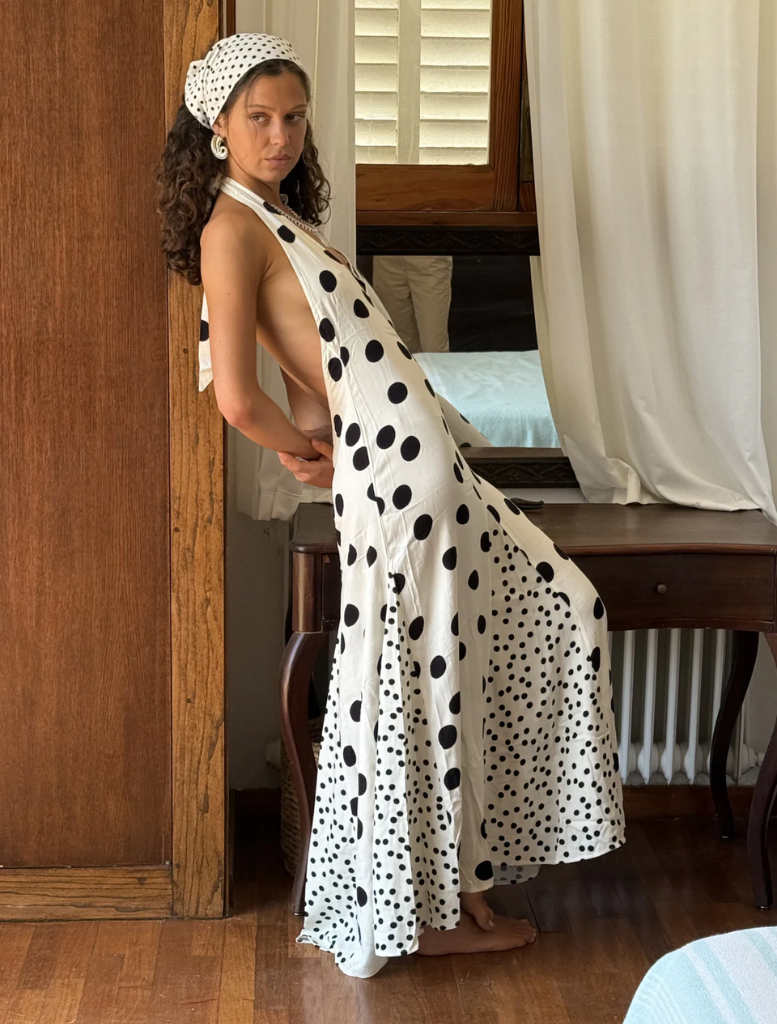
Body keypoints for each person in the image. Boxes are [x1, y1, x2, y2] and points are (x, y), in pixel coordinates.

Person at [156, 32, 626, 979]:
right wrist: (305, 450)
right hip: (404, 478)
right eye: (259, 118)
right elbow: (236, 396)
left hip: (414, 468)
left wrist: (319, 443)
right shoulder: (228, 226)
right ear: (217, 127)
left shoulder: (274, 215)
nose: (280, 134)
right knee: (425, 681)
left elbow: (312, 366)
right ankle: (434, 908)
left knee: (535, 620)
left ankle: (465, 883)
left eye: (293, 117)